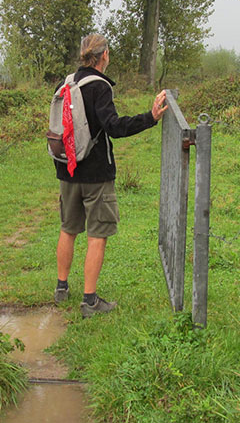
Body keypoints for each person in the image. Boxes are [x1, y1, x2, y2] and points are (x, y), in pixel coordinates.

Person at [53, 33, 167, 318]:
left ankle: (61, 288)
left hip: (67, 169)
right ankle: (90, 301)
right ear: (104, 55)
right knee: (97, 235)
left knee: (68, 228)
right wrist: (149, 118)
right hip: (96, 175)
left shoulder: (66, 83)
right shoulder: (100, 87)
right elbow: (113, 126)